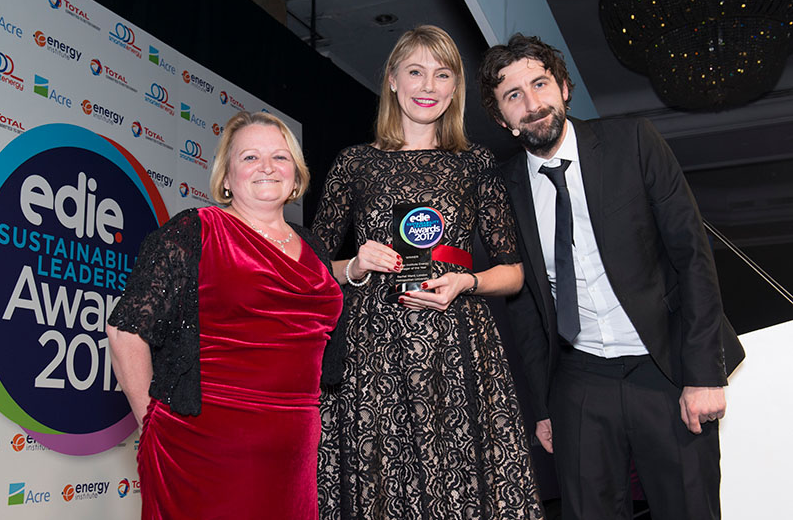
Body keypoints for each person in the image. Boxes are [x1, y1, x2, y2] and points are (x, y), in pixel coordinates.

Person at [477, 34, 745, 520]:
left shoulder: (634, 142)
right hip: (579, 379)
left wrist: (703, 374)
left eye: (540, 84)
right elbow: (526, 308)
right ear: (501, 119)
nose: (532, 104)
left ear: (564, 87)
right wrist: (542, 406)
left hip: (664, 367)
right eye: (513, 96)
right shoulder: (503, 187)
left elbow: (693, 260)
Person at [312, 25, 544, 519]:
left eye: (442, 75)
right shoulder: (355, 165)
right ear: (392, 80)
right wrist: (353, 265)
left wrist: (468, 281)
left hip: (458, 351)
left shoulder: (475, 163)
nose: (428, 86)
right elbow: (310, 272)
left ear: (454, 88)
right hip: (372, 355)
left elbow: (516, 273)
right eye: (415, 71)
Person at [106, 111, 343, 519]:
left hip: (292, 456)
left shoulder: (314, 246)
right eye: (250, 157)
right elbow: (125, 330)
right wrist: (151, 428)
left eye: (280, 157)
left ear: (296, 174)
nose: (267, 167)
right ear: (227, 178)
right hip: (203, 451)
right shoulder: (195, 231)